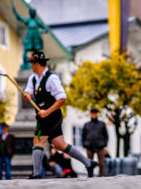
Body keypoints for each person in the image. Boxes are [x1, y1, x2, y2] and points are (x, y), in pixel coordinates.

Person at [23, 50, 97, 178]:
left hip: (51, 116)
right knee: (60, 145)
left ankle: (36, 173)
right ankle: (88, 163)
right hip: (43, 117)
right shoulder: (32, 78)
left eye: (31, 63)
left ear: (37, 64)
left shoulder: (52, 78)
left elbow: (62, 98)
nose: (30, 66)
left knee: (38, 141)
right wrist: (27, 95)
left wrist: (47, 111)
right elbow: (28, 91)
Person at [82, 108, 109, 177]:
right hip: (89, 146)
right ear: (90, 114)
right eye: (92, 113)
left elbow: (106, 135)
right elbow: (83, 135)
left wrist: (104, 143)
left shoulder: (102, 124)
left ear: (97, 114)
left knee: (101, 163)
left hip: (100, 146)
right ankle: (90, 176)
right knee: (89, 163)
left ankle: (102, 176)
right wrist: (84, 144)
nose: (94, 115)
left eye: (95, 113)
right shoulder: (86, 125)